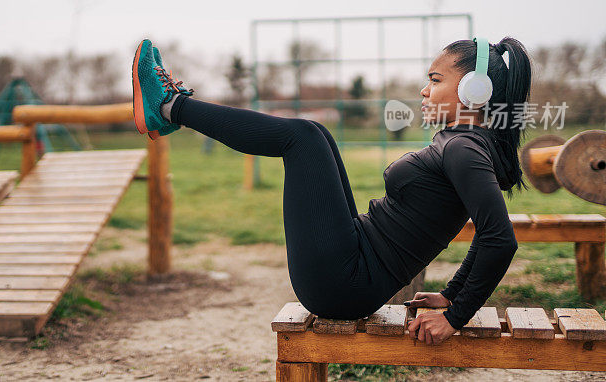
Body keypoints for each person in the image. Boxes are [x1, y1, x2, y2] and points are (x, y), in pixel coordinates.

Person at [131, 36, 532, 345]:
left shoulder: (464, 149)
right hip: (352, 261)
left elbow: (499, 238)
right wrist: (450, 294)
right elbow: (487, 231)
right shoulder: (461, 142)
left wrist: (455, 314)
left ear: (475, 91)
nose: (424, 91)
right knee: (316, 134)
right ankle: (169, 109)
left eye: (435, 79)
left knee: (303, 137)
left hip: (345, 282)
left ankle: (170, 108)